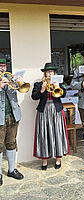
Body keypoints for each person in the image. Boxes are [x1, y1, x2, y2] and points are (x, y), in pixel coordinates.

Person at [32, 63, 70, 170]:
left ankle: (58, 159)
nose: (50, 73)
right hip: (43, 111)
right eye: (48, 72)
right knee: (44, 134)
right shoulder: (39, 84)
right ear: (45, 73)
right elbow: (34, 97)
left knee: (58, 133)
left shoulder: (58, 82)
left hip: (56, 110)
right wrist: (42, 90)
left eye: (52, 72)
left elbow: (64, 94)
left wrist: (58, 87)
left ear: (54, 73)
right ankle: (45, 160)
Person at [0, 54, 24, 186]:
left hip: (13, 116)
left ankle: (11, 170)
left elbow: (20, 90)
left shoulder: (10, 78)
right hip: (0, 118)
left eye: (3, 66)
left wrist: (19, 81)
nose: (2, 69)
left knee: (11, 143)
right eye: (0, 66)